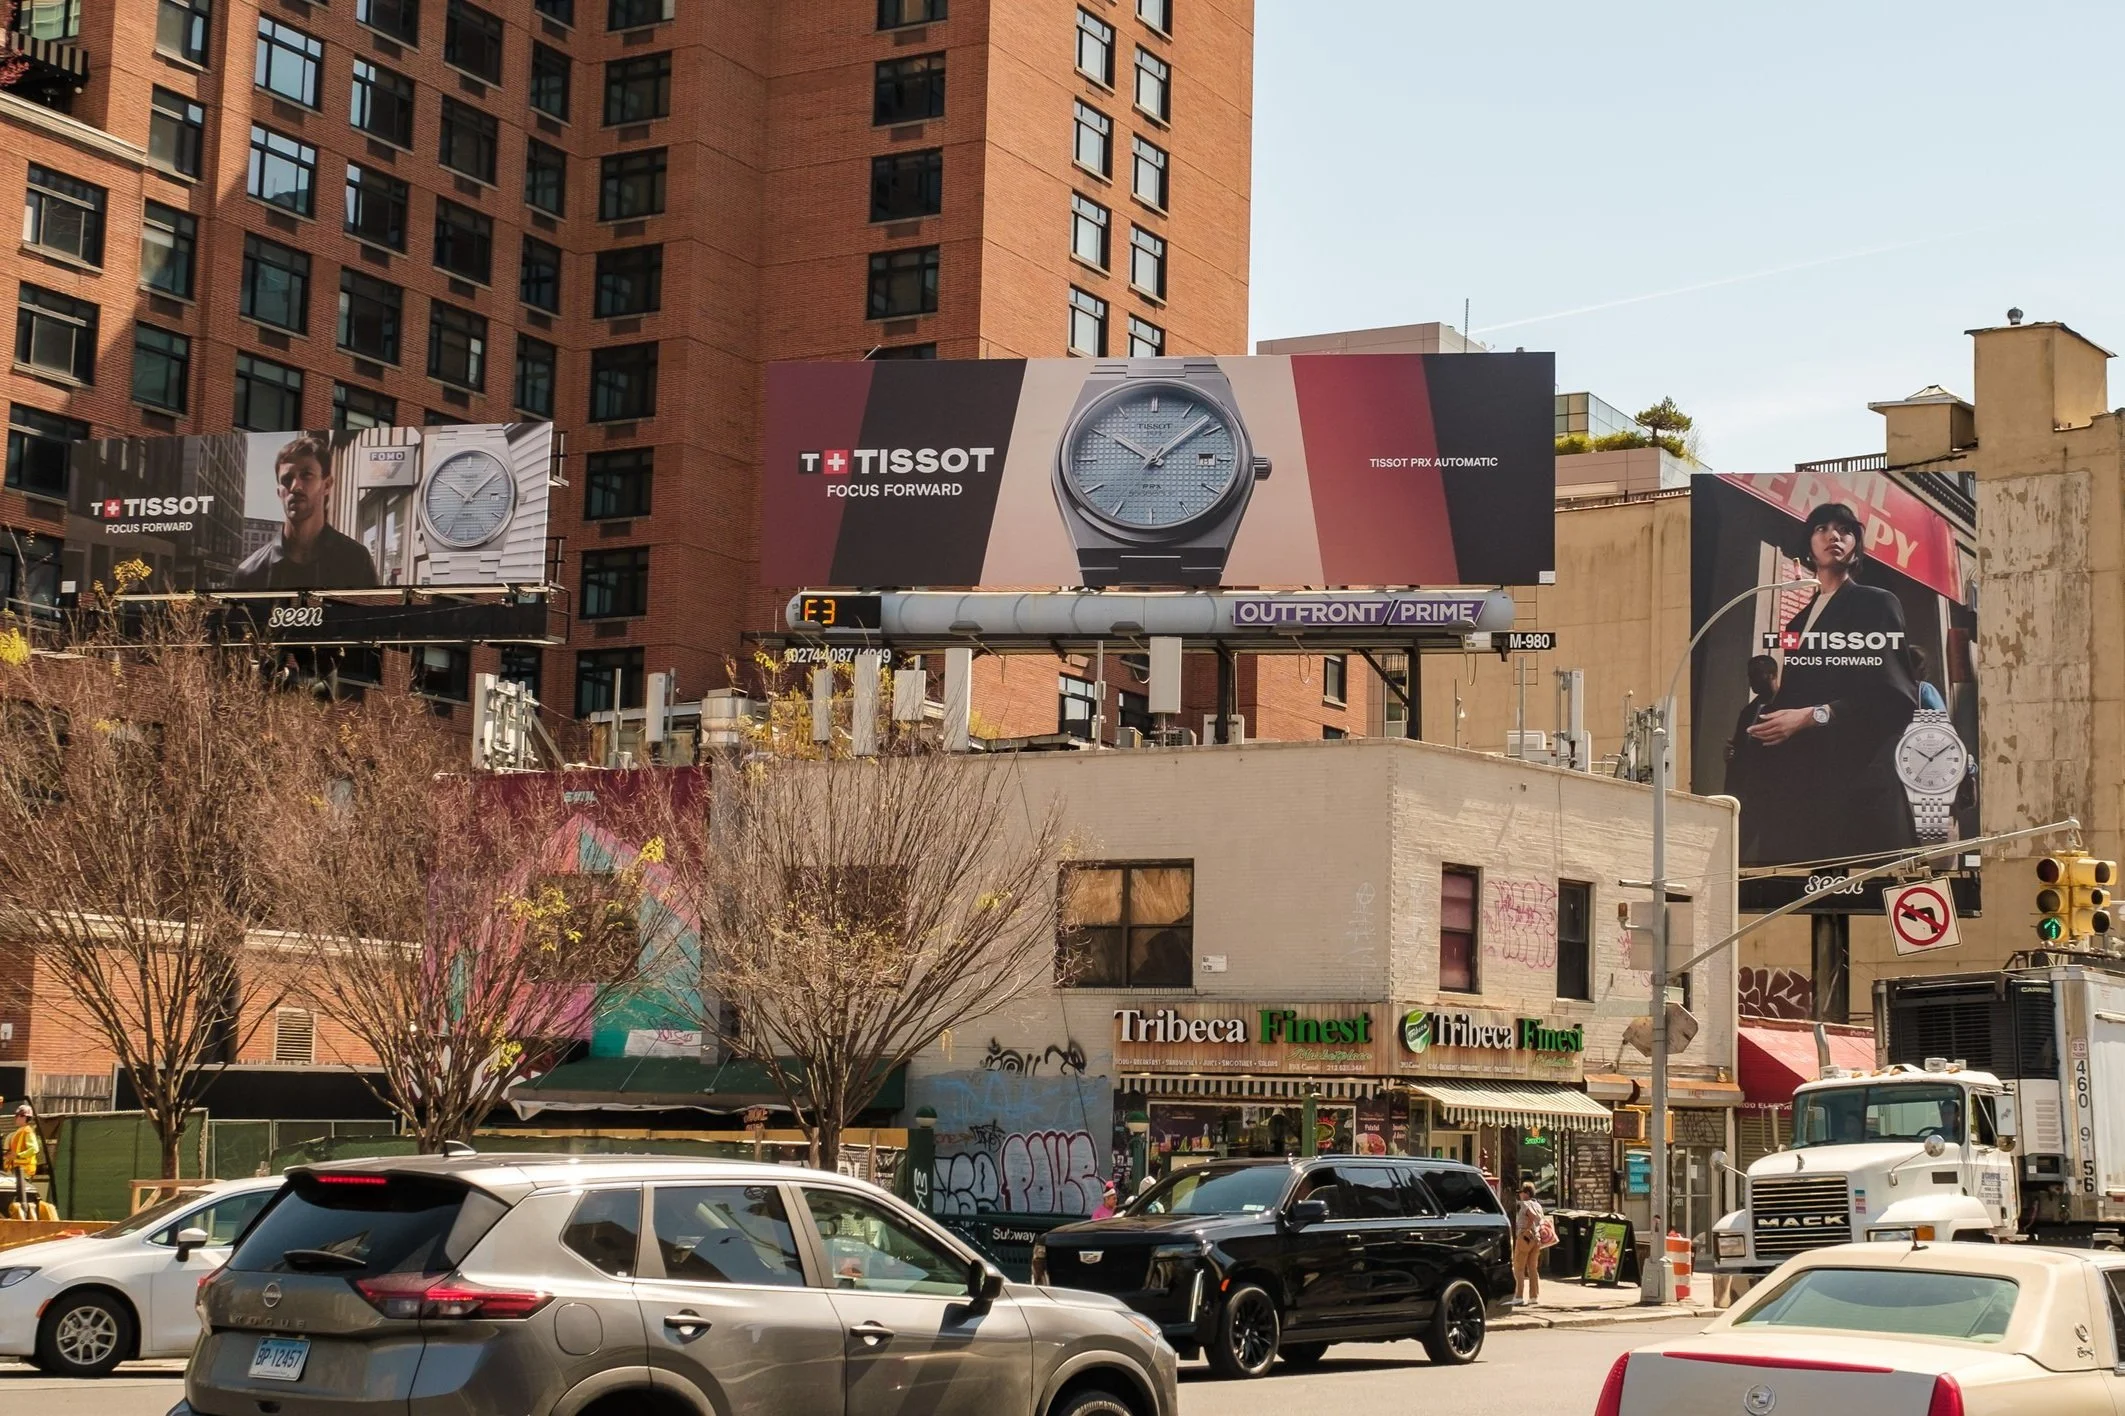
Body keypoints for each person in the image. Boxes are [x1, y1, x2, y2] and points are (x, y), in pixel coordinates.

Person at [1744, 502, 1919, 866]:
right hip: (1804, 797)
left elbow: (1894, 697)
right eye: (1821, 528)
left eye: (1845, 529)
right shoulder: (1796, 625)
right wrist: (1767, 726)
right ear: (1809, 544)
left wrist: (1812, 716)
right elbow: (1798, 694)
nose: (1833, 535)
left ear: (1856, 544)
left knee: (1865, 908)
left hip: (1858, 790)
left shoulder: (1877, 604)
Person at [226, 435, 380, 591]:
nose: (295, 486)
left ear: (326, 485)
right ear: (279, 492)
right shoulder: (250, 573)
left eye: (306, 475)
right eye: (287, 479)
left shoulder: (356, 561)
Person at [1724, 654, 1780, 858]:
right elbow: (1739, 748)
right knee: (1735, 850)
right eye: (1750, 676)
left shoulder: (1788, 707)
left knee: (1775, 851)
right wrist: (1731, 755)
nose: (1752, 681)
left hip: (1776, 795)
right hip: (1747, 794)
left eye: (1757, 675)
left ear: (1772, 675)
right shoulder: (1748, 711)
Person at [1510, 1181, 1545, 1306]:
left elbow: (1533, 1216)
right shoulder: (1538, 1205)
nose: (1520, 1195)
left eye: (1521, 1192)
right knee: (1532, 1268)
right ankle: (1534, 1296)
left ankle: (1519, 1296)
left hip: (1525, 1237)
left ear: (1527, 1193)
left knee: (1518, 1268)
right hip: (1536, 1238)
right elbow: (1540, 1219)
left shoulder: (1525, 1204)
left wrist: (1526, 1229)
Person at [4, 1104, 41, 1217]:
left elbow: (34, 1149)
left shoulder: (27, 1131)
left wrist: (18, 1156)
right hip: (16, 1171)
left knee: (22, 1198)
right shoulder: (19, 1132)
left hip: (24, 1171)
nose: (16, 1118)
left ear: (25, 1117)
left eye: (18, 1115)